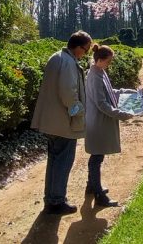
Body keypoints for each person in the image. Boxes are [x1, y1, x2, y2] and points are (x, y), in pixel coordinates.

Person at [31, 31, 91, 215]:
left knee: (54, 160)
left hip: (51, 121)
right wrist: (79, 110)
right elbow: (68, 94)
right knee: (63, 162)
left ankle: (50, 199)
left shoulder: (56, 57)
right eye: (86, 50)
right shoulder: (68, 62)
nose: (86, 54)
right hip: (62, 123)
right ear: (78, 47)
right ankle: (57, 201)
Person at [84, 44, 136, 208]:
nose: (109, 64)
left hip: (99, 120)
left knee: (97, 155)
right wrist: (121, 114)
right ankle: (99, 195)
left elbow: (109, 92)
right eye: (108, 61)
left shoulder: (99, 72)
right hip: (97, 121)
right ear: (99, 60)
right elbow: (101, 103)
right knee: (97, 157)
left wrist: (128, 92)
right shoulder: (95, 76)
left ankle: (92, 187)